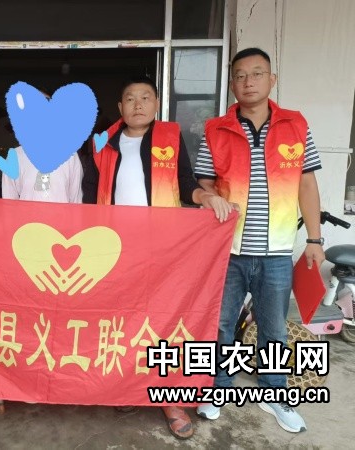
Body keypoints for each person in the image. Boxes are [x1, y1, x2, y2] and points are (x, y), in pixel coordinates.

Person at [82, 76, 233, 440]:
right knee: (121, 320)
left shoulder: (169, 138)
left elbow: (186, 183)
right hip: (115, 248)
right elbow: (89, 193)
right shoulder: (103, 144)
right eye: (130, 98)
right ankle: (126, 387)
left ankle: (170, 399)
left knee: (164, 320)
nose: (138, 104)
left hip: (162, 249)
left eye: (145, 97)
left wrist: (208, 198)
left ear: (156, 103)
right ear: (120, 108)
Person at [194, 48, 324, 433]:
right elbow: (203, 183)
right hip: (227, 252)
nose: (248, 82)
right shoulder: (215, 129)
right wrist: (210, 196)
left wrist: (315, 238)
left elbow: (306, 184)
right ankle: (218, 388)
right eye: (240, 75)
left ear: (272, 79)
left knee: (274, 329)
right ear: (232, 84)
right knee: (220, 326)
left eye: (256, 73)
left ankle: (274, 394)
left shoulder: (296, 125)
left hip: (277, 252)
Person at [1, 90, 83, 203]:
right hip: (27, 216)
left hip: (62, 215)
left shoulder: (71, 156)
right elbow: (9, 205)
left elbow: (76, 202)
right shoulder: (14, 157)